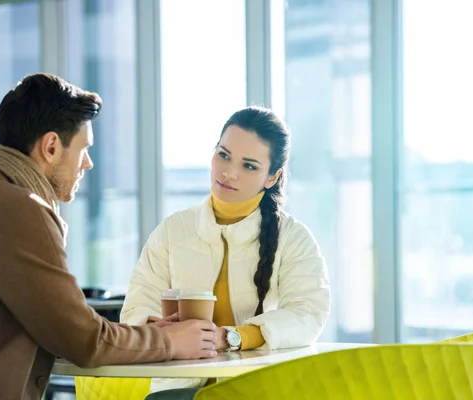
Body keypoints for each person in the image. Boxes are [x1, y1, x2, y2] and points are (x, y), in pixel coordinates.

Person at [0, 73, 217, 400]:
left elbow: (57, 328)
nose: (88, 164)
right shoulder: (17, 209)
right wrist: (172, 342)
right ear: (50, 147)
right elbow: (83, 340)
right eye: (83, 149)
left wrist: (140, 334)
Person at [122, 106, 331, 393]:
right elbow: (135, 308)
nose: (229, 173)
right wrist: (168, 332)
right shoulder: (173, 230)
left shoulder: (294, 237)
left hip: (259, 389)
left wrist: (232, 337)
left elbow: (308, 313)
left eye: (249, 166)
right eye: (223, 155)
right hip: (174, 390)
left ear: (272, 177)